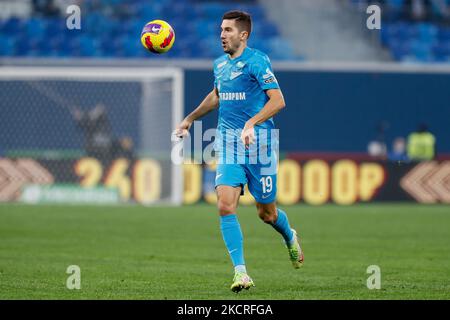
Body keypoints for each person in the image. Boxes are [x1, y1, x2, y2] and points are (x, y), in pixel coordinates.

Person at [174, 10, 303, 293]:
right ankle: (241, 273)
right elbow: (217, 95)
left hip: (261, 146)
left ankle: (289, 236)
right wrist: (190, 119)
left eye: (229, 30)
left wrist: (251, 123)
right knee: (224, 205)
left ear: (243, 35)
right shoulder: (220, 64)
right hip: (229, 145)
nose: (222, 34)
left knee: (266, 214)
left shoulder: (257, 62)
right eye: (221, 29)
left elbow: (279, 100)